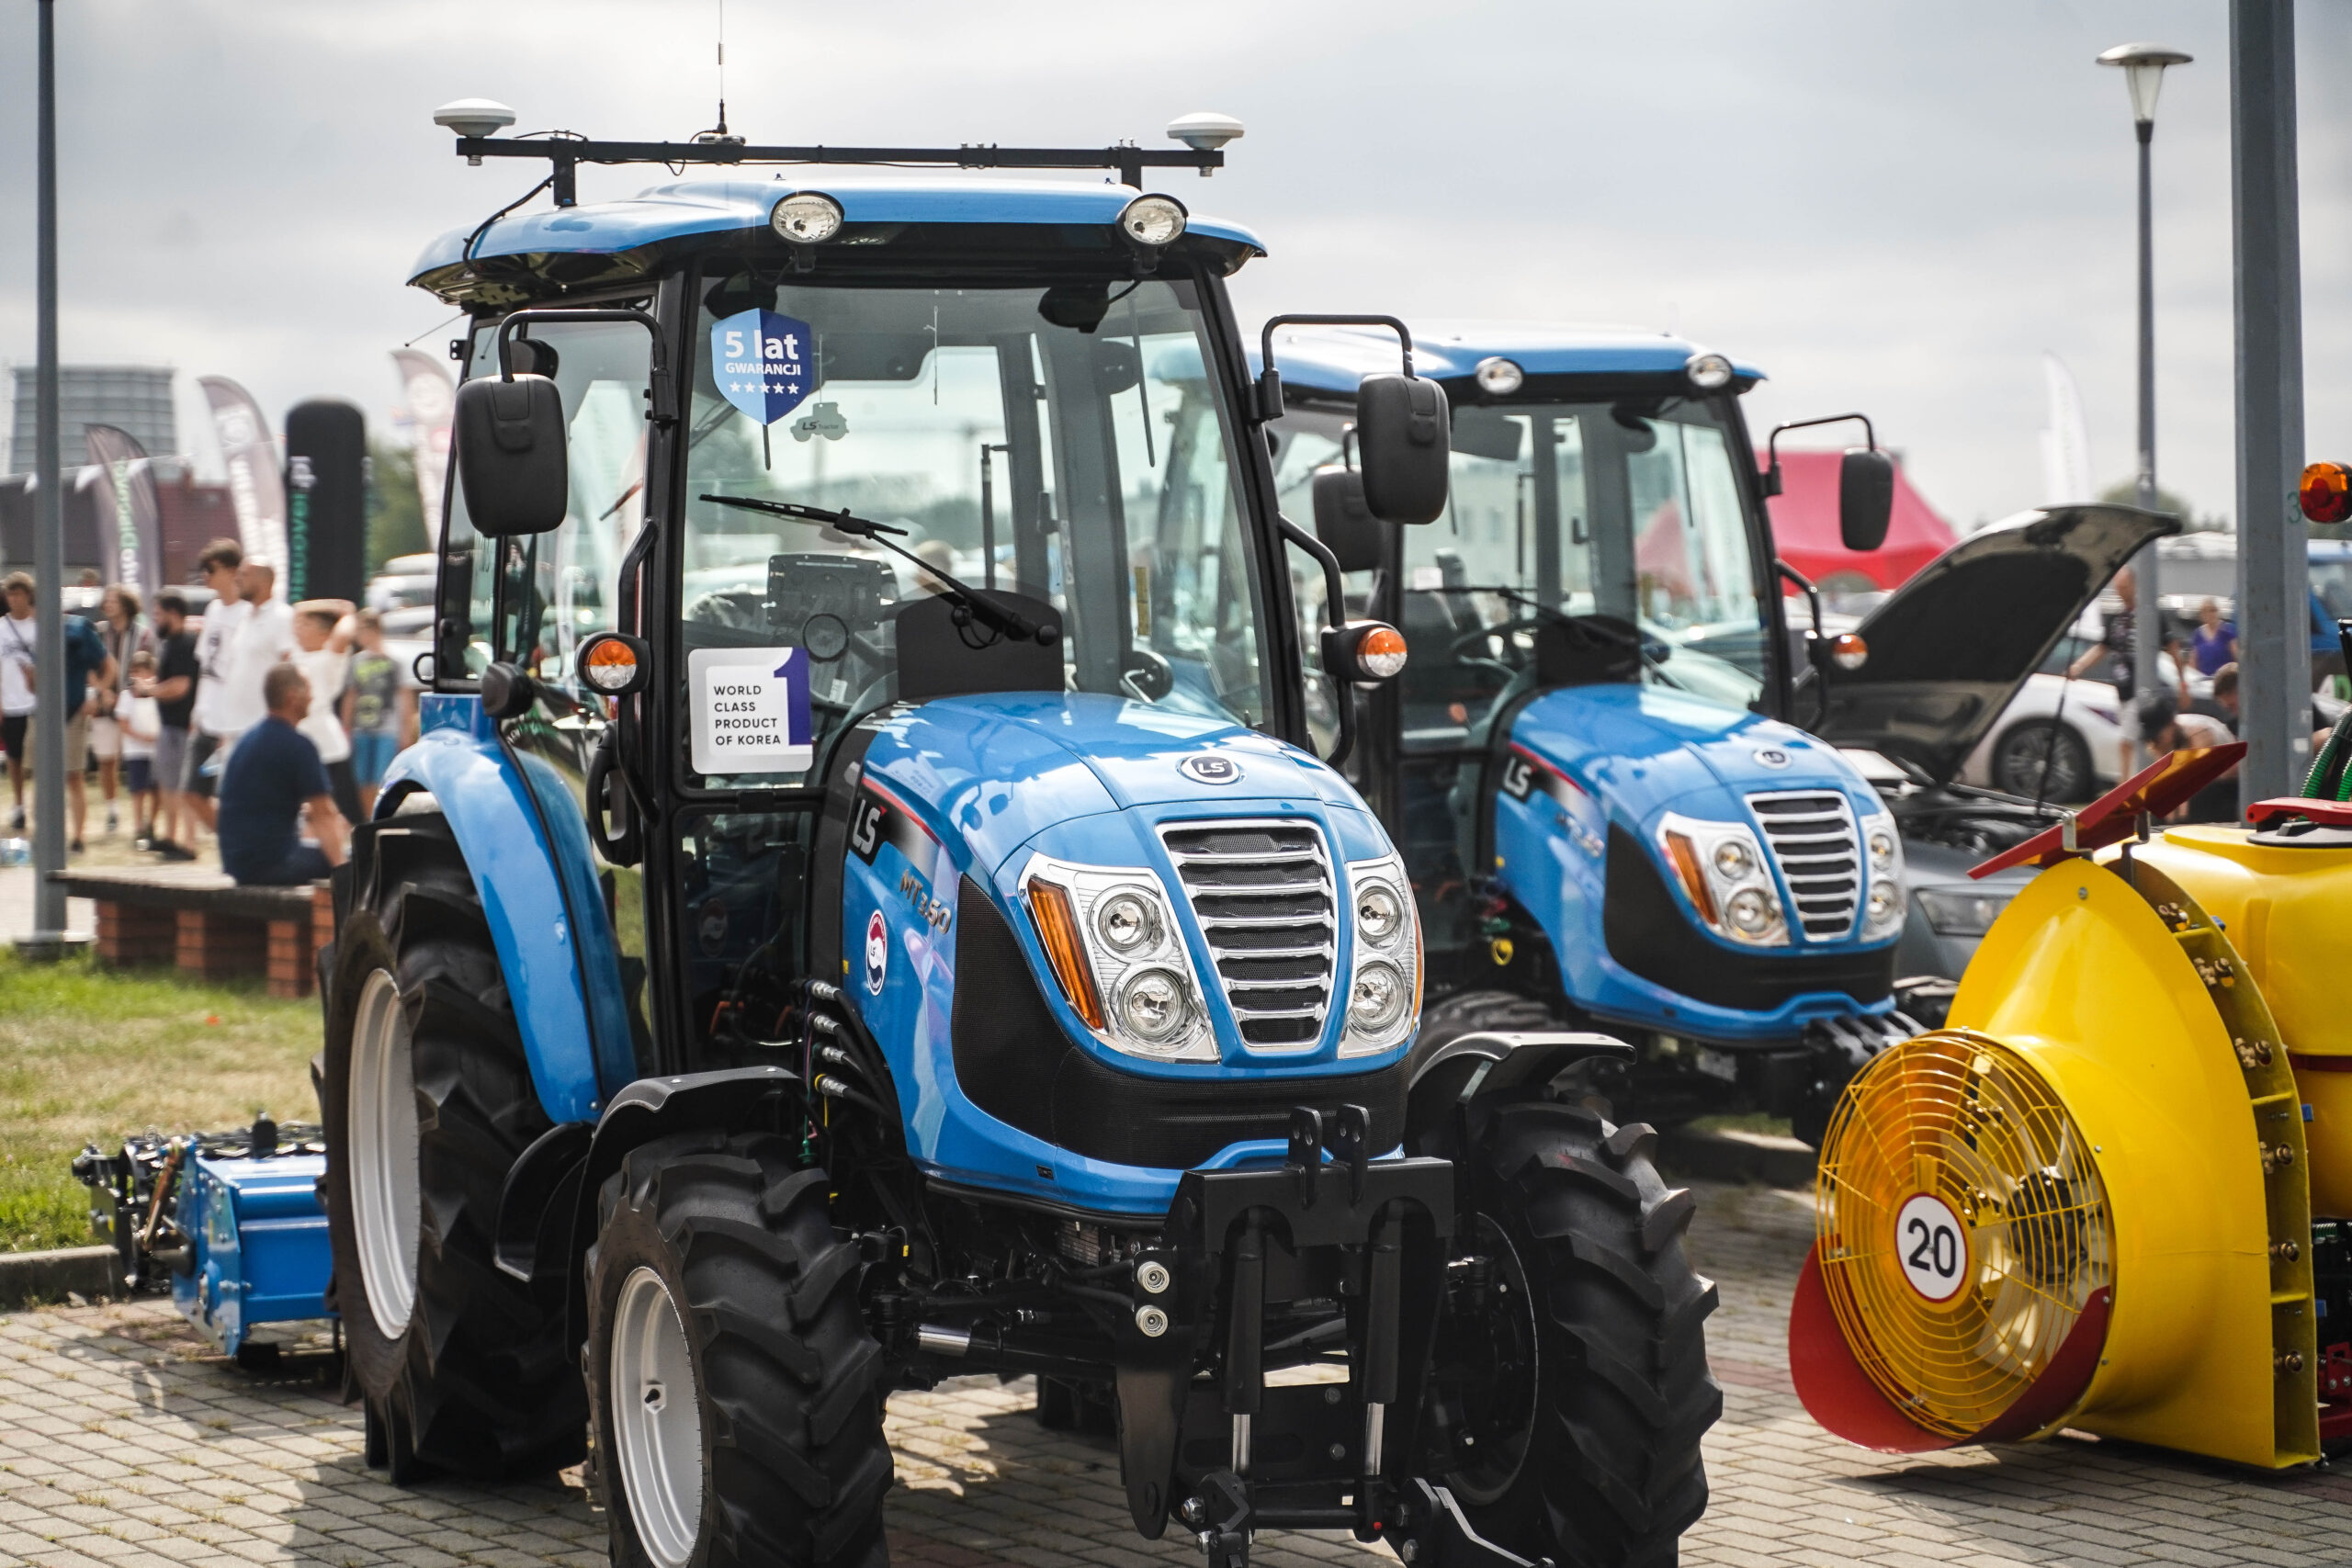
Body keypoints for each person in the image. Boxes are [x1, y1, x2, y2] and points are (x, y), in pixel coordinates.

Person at [216, 662, 346, 886]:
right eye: (308, 689)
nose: (313, 697)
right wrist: (344, 872)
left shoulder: (247, 740)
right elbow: (323, 814)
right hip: (274, 863)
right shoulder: (298, 746)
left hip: (237, 863)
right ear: (292, 697)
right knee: (363, 858)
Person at [185, 539, 248, 834]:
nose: (205, 576)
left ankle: (236, 848)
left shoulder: (248, 613)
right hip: (206, 720)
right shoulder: (212, 610)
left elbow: (247, 675)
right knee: (193, 793)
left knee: (231, 796)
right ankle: (229, 842)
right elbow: (204, 668)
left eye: (211, 569)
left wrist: (233, 726)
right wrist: (196, 713)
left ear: (232, 570)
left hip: (232, 725)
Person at [141, 589, 201, 861]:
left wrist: (149, 690)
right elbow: (170, 682)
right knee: (168, 785)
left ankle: (189, 845)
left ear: (173, 614)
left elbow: (181, 686)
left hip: (183, 726)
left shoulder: (186, 644)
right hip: (169, 726)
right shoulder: (170, 643)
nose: (155, 619)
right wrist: (148, 685)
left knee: (184, 788)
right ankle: (170, 837)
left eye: (158, 614)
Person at [291, 600, 359, 822]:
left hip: (326, 746)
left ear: (324, 633)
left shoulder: (330, 656)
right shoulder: (295, 656)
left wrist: (344, 608)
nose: (298, 629)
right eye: (298, 625)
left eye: (307, 625)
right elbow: (297, 608)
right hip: (298, 740)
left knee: (331, 809)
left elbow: (347, 624)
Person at [345, 609, 417, 816]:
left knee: (381, 775)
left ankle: (379, 817)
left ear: (374, 629)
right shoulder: (357, 661)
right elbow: (352, 694)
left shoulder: (395, 661)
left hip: (387, 727)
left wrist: (406, 730)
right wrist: (346, 726)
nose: (358, 635)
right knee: (363, 778)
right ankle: (369, 818)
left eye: (362, 630)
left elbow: (405, 696)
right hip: (362, 726)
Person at [89, 583, 149, 837]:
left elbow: (149, 669)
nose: (109, 604)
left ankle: (141, 817)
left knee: (139, 760)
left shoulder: (143, 635)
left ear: (126, 603)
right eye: (107, 600)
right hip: (105, 705)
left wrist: (127, 694)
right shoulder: (97, 633)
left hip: (135, 705)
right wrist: (103, 691)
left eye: (114, 600)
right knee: (106, 760)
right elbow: (89, 666)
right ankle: (113, 810)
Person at [2071, 566, 2140, 778]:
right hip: (2122, 689)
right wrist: (2080, 665)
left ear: (2135, 586)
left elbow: (2172, 645)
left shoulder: (2146, 615)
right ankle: (2129, 781)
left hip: (2142, 688)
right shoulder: (2118, 619)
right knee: (2128, 739)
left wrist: (2182, 679)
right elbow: (2103, 646)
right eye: (2117, 587)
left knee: (2127, 741)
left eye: (2124, 587)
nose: (2120, 591)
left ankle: (2125, 783)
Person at [2138, 690, 2238, 824]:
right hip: (2203, 784)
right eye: (2152, 740)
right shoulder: (2159, 743)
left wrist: (2178, 815)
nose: (2156, 744)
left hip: (2227, 783)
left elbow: (2197, 776)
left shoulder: (2199, 732)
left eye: (2158, 738)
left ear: (2172, 724)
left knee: (2196, 800)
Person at [116, 649, 160, 847]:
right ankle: (138, 827)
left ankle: (151, 824)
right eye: (136, 671)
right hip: (136, 751)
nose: (140, 676)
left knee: (156, 790)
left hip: (156, 750)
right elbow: (123, 724)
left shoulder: (158, 694)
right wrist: (143, 737)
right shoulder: (127, 696)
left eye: (144, 671)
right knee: (138, 790)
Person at [0, 572, 33, 831]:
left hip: (37, 704)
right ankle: (19, 805)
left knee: (38, 759)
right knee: (15, 757)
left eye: (18, 594)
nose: (13, 599)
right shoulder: (1, 627)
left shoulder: (39, 625)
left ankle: (39, 805)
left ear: (28, 596)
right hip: (10, 702)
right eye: (10, 594)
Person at [2190, 597, 2237, 678]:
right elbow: (2193, 661)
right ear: (2201, 615)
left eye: (2213, 610)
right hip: (2204, 680)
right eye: (2205, 611)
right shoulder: (2198, 633)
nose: (2210, 614)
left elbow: (2237, 657)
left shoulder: (2228, 630)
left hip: (2224, 680)